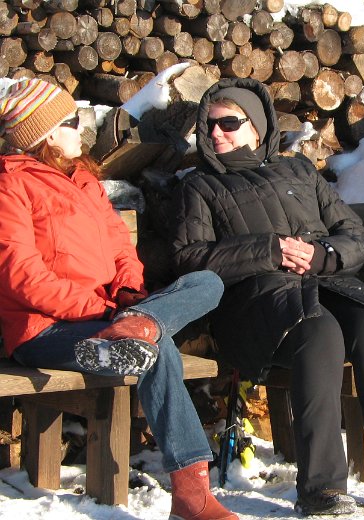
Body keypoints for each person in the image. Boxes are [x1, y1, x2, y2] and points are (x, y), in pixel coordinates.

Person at [170, 77, 364, 516]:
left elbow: (352, 234)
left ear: (256, 126)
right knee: (319, 333)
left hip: (324, 283)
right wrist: (268, 250)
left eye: (228, 123)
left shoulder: (299, 171)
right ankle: (321, 488)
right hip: (254, 301)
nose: (215, 133)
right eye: (208, 125)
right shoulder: (200, 187)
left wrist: (321, 255)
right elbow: (189, 257)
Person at [0, 78, 238, 520]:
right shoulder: (10, 187)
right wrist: (104, 310)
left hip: (108, 318)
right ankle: (191, 496)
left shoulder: (85, 183)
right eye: (73, 121)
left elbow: (120, 250)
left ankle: (140, 323)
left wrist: (129, 294)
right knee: (155, 345)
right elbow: (22, 278)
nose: (83, 128)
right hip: (44, 329)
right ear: (47, 135)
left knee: (208, 282)